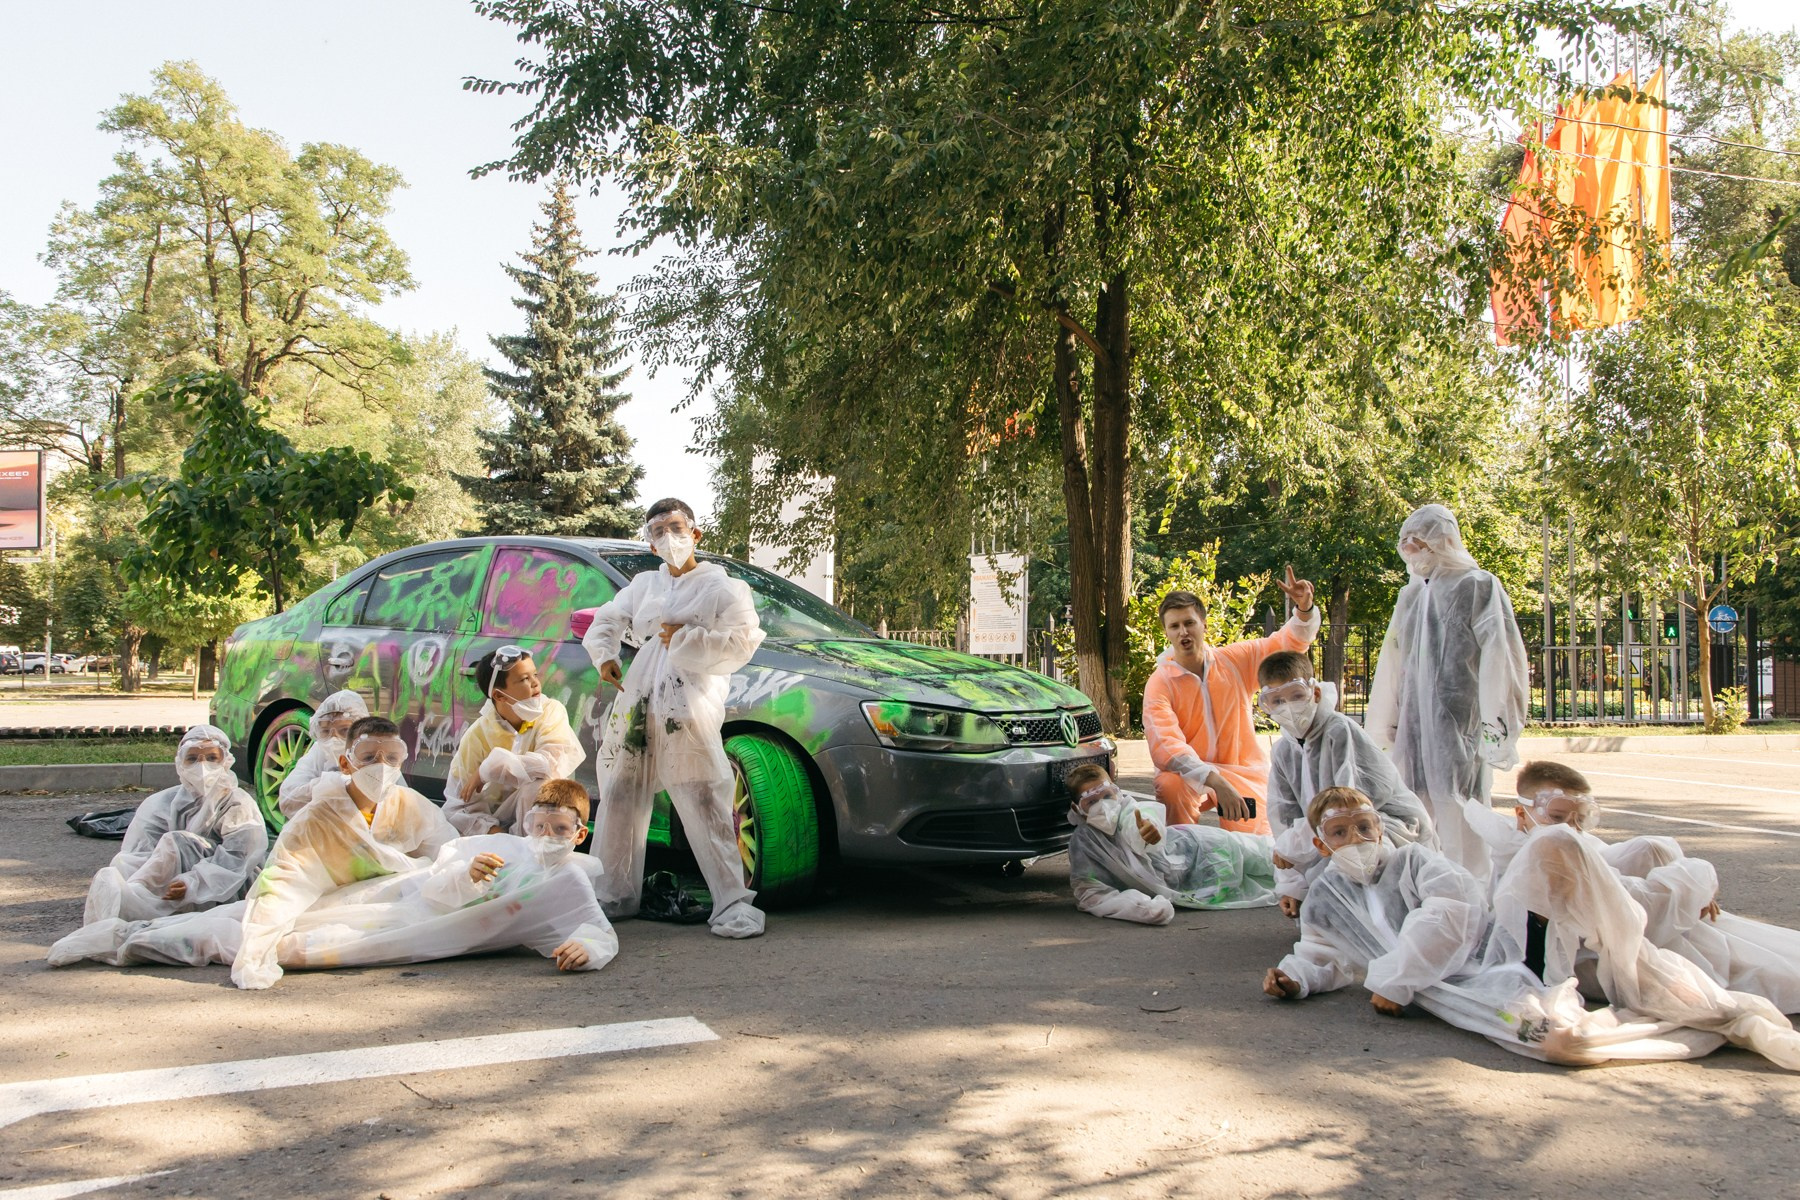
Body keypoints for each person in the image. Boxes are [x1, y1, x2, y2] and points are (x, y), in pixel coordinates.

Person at [1261, 787, 1745, 1068]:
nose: (1357, 838)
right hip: (1451, 987)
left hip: (1502, 955)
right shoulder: (1325, 896)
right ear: (1321, 845)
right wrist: (1296, 978)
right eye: (1340, 832)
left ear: (1380, 827)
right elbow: (1323, 951)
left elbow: (1451, 915)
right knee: (1561, 1042)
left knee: (1558, 861)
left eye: (1365, 826)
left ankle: (1689, 885)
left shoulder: (1416, 861)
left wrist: (1394, 980)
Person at [48, 778, 618, 981]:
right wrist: (465, 876)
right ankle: (130, 923)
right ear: (525, 822)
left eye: (559, 828)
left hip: (403, 931)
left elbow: (598, 931)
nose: (546, 834)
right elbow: (439, 875)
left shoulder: (568, 884)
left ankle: (126, 943)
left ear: (580, 833)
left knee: (288, 946)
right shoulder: (498, 846)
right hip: (398, 899)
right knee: (275, 914)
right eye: (538, 824)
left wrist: (585, 950)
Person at [1471, 761, 1800, 1015]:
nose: (1571, 829)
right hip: (1597, 958)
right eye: (1557, 817)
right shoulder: (1543, 850)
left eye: (1579, 820)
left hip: (1630, 935)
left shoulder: (1558, 840)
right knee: (1763, 971)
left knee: (1656, 852)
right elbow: (1633, 906)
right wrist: (1697, 881)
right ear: (1521, 813)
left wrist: (1688, 885)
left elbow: (1631, 870)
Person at [581, 497, 766, 939]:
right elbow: (607, 618)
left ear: (695, 533)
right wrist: (605, 655)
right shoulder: (645, 585)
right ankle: (614, 893)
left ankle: (732, 902)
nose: (668, 538)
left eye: (676, 527)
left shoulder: (723, 587)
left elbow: (743, 641)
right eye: (658, 531)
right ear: (650, 544)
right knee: (621, 791)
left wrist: (686, 638)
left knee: (703, 796)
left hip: (689, 703)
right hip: (641, 701)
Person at [1366, 503, 1529, 878]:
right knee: (1412, 805)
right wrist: (1385, 722)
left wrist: (1498, 726)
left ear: (1443, 540)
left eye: (1419, 542)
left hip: (1459, 722)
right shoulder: (1411, 596)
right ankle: (1424, 884)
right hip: (1413, 725)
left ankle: (1470, 888)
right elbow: (1392, 662)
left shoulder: (1477, 586)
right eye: (1406, 543)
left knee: (1461, 805)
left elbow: (1501, 658)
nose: (1411, 550)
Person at [1141, 566, 1319, 835]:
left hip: (1242, 771)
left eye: (1189, 623)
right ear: (1166, 632)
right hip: (1188, 776)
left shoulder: (1235, 661)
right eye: (1174, 626)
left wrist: (1304, 610)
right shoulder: (1160, 682)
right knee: (1170, 785)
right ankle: (1181, 849)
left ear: (1204, 625)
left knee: (1254, 849)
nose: (1183, 632)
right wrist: (1214, 780)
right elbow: (1165, 746)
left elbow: (1286, 645)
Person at [1259, 651, 1436, 918]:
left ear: (1315, 693)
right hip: (1333, 833)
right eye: (1277, 701)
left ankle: (1389, 919)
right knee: (1322, 893)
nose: (1289, 707)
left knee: (1348, 867)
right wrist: (1291, 885)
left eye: (1296, 695)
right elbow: (1283, 819)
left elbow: (1348, 807)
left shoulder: (1338, 731)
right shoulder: (1284, 751)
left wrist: (1292, 849)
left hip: (1382, 826)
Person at [70, 724, 267, 927]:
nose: (202, 766)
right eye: (192, 758)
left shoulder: (237, 803)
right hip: (173, 885)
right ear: (180, 763)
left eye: (211, 758)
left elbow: (238, 858)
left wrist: (192, 882)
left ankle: (137, 902)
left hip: (229, 888)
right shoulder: (162, 803)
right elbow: (140, 852)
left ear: (226, 761)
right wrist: (161, 877)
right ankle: (134, 899)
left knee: (178, 841)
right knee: (122, 863)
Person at [1063, 762, 1277, 925]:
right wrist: (1143, 908)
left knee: (1275, 856)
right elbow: (1091, 893)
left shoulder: (1130, 812)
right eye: (1091, 802)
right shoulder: (1085, 844)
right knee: (1277, 882)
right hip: (1198, 880)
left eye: (1107, 796)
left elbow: (1141, 822)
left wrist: (1149, 832)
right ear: (1077, 809)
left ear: (1117, 793)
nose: (1104, 805)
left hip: (1202, 846)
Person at [442, 646, 585, 836]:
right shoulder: (477, 736)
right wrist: (497, 835)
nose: (535, 683)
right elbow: (458, 804)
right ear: (499, 695)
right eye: (525, 679)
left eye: (535, 675)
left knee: (538, 787)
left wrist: (491, 768)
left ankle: (534, 846)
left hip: (542, 827)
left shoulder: (551, 712)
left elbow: (550, 765)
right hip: (494, 831)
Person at [277, 689, 369, 817]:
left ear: (362, 730)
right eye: (326, 731)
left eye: (344, 730)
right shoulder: (320, 750)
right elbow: (288, 798)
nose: (333, 739)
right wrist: (333, 785)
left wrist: (324, 789)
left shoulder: (378, 754)